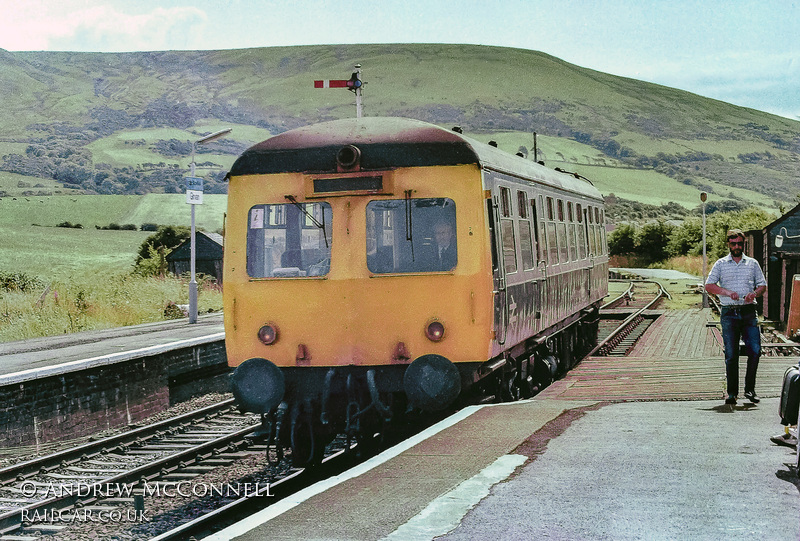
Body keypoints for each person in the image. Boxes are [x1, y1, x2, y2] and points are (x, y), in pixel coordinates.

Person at [705, 229, 767, 405]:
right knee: (731, 354)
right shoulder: (721, 264)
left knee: (755, 351)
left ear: (744, 243)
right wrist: (726, 292)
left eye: (740, 243)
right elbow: (709, 285)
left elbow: (762, 286)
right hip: (729, 313)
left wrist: (754, 293)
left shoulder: (753, 264)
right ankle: (732, 393)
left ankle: (750, 390)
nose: (737, 246)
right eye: (734, 244)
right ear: (728, 244)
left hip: (748, 312)